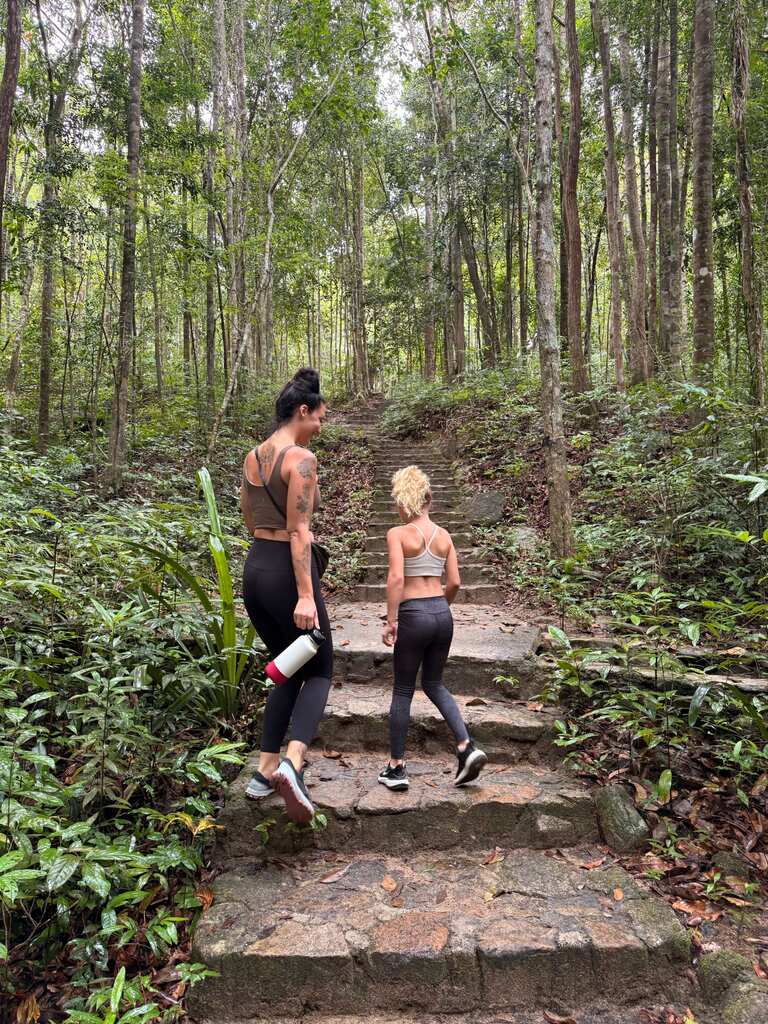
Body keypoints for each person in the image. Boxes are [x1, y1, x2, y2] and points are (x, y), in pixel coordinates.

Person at [240, 368, 332, 824]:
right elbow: (300, 532)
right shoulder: (302, 461)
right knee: (320, 669)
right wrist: (305, 596)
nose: (320, 425)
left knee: (286, 667)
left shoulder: (252, 457)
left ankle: (263, 771)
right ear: (302, 410)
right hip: (285, 571)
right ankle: (293, 764)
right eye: (319, 417)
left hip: (254, 569)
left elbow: (247, 517)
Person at [379, 465, 487, 791]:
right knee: (435, 683)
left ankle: (396, 768)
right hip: (442, 613)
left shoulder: (398, 534)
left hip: (413, 614)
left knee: (402, 690)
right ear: (430, 499)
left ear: (405, 501)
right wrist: (440, 608)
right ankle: (466, 746)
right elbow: (454, 582)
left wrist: (392, 619)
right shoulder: (444, 536)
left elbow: (397, 578)